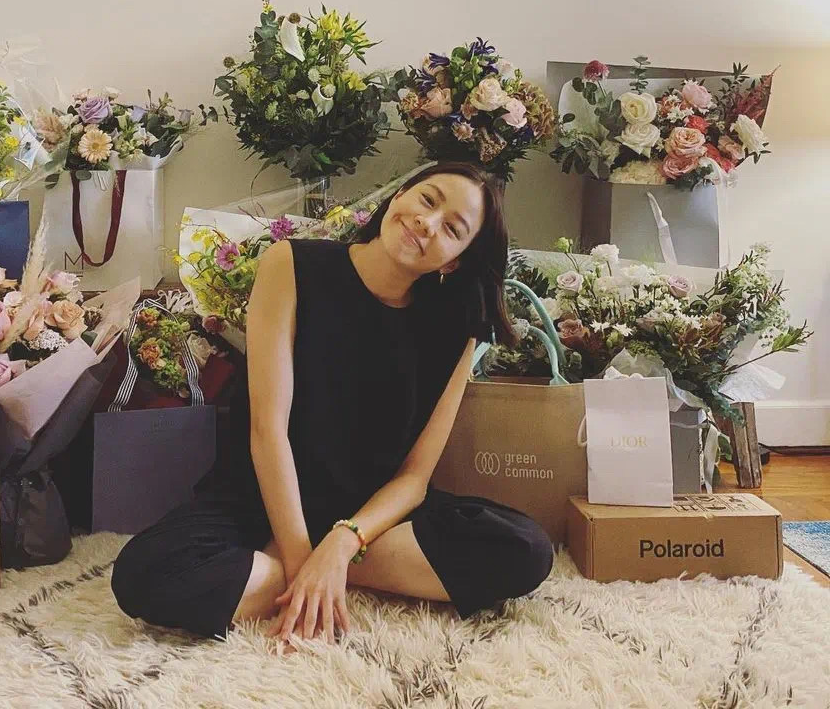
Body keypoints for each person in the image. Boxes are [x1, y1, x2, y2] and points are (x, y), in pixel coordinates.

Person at [111, 163, 554, 642]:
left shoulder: (457, 325)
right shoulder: (291, 265)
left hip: (371, 519)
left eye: (452, 229)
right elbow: (268, 431)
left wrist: (342, 544)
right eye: (427, 200)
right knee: (142, 576)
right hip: (262, 500)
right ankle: (306, 572)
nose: (428, 223)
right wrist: (301, 562)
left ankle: (312, 570)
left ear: (454, 262)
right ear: (400, 195)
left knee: (527, 550)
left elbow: (414, 479)